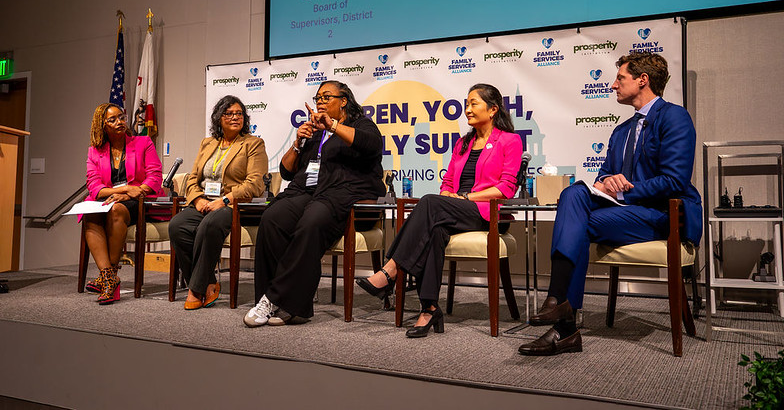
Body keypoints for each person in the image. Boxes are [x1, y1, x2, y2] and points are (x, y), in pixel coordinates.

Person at [518, 53, 702, 356]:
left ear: (642, 80)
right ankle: (556, 303)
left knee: (577, 225)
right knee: (573, 193)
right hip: (624, 213)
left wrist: (624, 190)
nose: (612, 84)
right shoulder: (621, 131)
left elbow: (674, 181)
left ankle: (564, 323)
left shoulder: (674, 116)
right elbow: (605, 173)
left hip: (660, 215)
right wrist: (605, 183)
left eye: (620, 78)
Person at [356, 83, 522, 337]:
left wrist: (465, 197)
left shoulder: (509, 141)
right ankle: (429, 308)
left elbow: (506, 188)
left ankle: (391, 269)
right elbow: (447, 184)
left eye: (473, 103)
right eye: (466, 104)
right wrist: (449, 195)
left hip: (486, 213)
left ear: (492, 110)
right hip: (455, 210)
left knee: (430, 203)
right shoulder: (463, 143)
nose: (467, 109)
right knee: (434, 230)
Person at [244, 80, 384, 327]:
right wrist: (298, 143)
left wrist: (333, 125)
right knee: (273, 218)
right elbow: (287, 172)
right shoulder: (314, 133)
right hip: (309, 192)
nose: (320, 101)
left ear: (344, 101)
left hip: (346, 194)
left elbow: (372, 144)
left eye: (326, 96)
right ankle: (288, 306)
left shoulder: (360, 123)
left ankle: (273, 298)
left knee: (311, 221)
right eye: (318, 97)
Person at [168, 96, 268, 310]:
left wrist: (224, 200)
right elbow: (193, 179)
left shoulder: (253, 144)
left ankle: (195, 289)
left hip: (233, 206)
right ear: (218, 118)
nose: (235, 118)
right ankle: (209, 282)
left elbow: (255, 184)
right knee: (177, 226)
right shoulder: (208, 143)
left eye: (239, 114)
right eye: (229, 114)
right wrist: (198, 199)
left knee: (210, 224)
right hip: (204, 202)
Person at [82, 103, 163, 304]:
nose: (119, 122)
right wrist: (124, 189)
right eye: (112, 119)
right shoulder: (95, 151)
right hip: (111, 199)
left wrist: (129, 195)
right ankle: (110, 278)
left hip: (139, 201)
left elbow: (154, 178)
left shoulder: (143, 143)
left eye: (121, 117)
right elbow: (94, 187)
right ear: (102, 125)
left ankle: (108, 277)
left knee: (116, 210)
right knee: (90, 213)